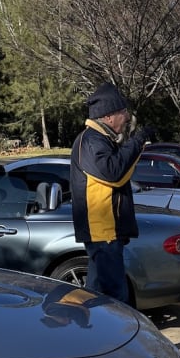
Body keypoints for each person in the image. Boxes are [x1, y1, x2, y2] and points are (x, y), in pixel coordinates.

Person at [70, 82, 156, 303]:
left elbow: (118, 170)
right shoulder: (91, 140)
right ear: (108, 116)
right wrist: (137, 142)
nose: (126, 118)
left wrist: (135, 144)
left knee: (94, 295)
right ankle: (120, 336)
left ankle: (85, 332)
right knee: (116, 299)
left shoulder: (100, 139)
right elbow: (114, 173)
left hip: (106, 232)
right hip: (103, 231)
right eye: (122, 112)